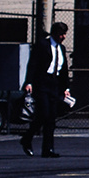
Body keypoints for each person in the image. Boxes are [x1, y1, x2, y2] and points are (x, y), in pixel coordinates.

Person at [22, 22, 70, 158]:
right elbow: (33, 64)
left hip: (55, 84)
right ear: (54, 33)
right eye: (61, 34)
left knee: (51, 118)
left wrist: (65, 87)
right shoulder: (42, 45)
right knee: (44, 113)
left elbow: (64, 69)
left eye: (65, 34)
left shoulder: (62, 48)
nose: (63, 37)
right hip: (42, 83)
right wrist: (29, 81)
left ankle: (47, 149)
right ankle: (28, 138)